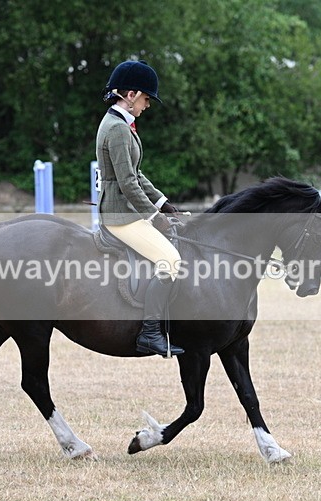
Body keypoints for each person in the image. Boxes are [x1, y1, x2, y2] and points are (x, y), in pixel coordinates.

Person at [95, 60, 184, 358]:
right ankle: (150, 333)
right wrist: (155, 218)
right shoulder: (118, 129)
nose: (147, 106)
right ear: (131, 94)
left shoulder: (120, 124)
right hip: (120, 215)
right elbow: (128, 184)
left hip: (125, 211)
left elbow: (138, 175)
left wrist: (164, 204)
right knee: (171, 260)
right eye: (146, 99)